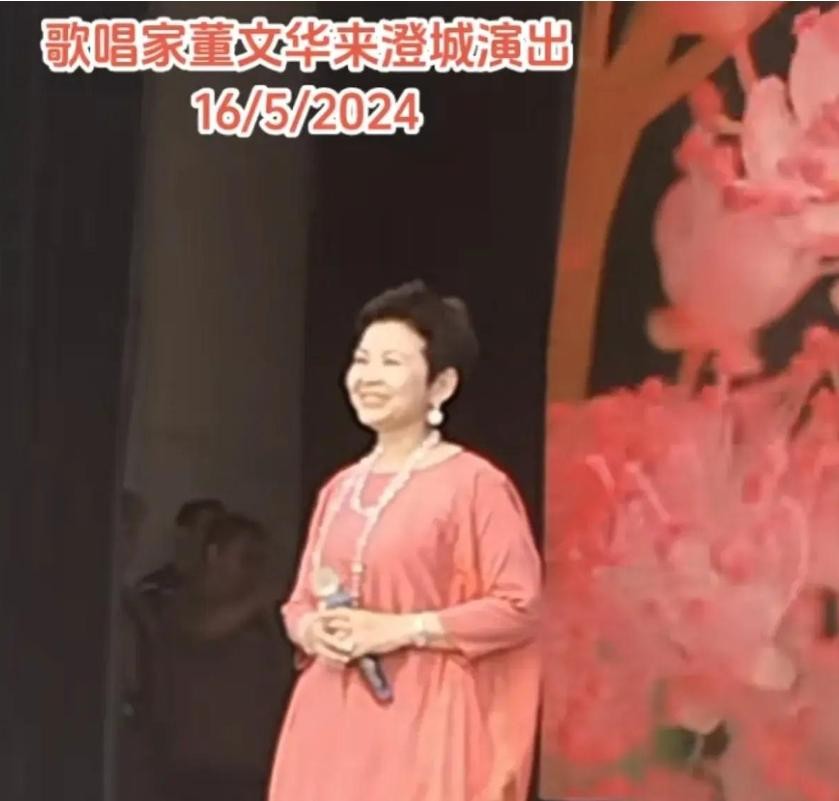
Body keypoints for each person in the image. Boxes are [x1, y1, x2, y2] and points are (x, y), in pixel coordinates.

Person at [267, 280, 542, 801]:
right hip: (329, 718)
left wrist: (400, 629)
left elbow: (519, 605)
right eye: (362, 360)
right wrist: (311, 630)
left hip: (424, 717)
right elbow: (298, 601)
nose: (368, 376)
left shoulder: (475, 484)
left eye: (391, 362)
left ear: (441, 386)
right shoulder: (339, 488)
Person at [156, 513, 289, 801]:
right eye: (246, 558)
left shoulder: (263, 618)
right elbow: (202, 630)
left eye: (259, 560)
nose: (254, 570)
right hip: (197, 768)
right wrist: (260, 599)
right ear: (214, 554)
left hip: (252, 767)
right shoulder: (183, 603)